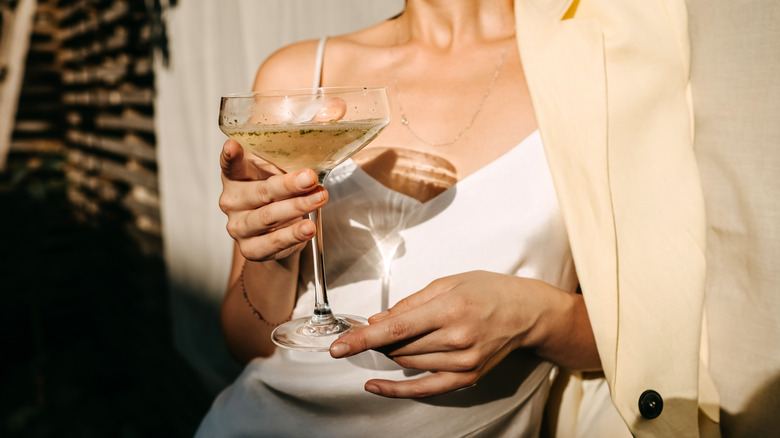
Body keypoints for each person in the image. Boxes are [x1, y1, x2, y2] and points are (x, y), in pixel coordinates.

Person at [197, 0, 718, 437]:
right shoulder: (297, 75)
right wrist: (271, 251)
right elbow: (250, 343)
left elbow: (660, 331)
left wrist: (539, 317)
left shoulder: (596, 61)